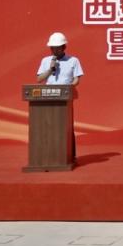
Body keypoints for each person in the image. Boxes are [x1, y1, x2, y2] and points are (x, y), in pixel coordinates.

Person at [35, 32, 84, 161]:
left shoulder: (73, 60)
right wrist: (50, 69)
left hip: (65, 97)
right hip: (48, 97)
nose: (54, 51)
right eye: (52, 48)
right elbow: (39, 79)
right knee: (48, 125)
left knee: (66, 126)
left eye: (57, 48)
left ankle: (70, 156)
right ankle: (49, 155)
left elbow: (77, 79)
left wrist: (69, 88)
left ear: (64, 47)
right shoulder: (45, 61)